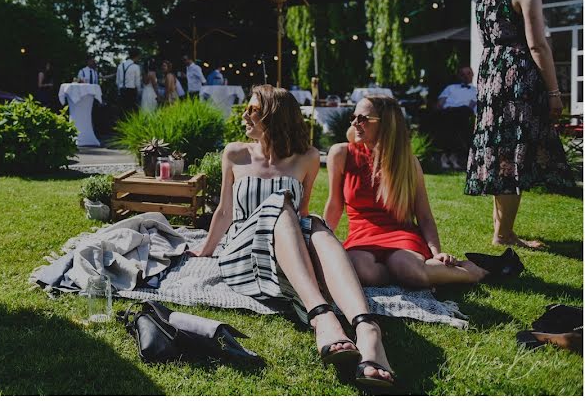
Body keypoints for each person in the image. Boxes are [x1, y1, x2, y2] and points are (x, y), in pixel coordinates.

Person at [189, 86, 395, 387]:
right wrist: (205, 250)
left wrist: (314, 241)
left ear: (274, 116)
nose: (244, 115)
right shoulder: (235, 153)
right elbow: (224, 211)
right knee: (281, 204)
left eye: (253, 110)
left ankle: (366, 328)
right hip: (243, 252)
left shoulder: (308, 157)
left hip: (286, 244)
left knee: (315, 226)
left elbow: (303, 213)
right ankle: (322, 316)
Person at [465, 0, 573, 250]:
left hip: (491, 76)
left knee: (501, 150)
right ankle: (503, 234)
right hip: (518, 76)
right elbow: (538, 44)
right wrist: (555, 92)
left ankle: (503, 232)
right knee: (515, 151)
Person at [325, 96, 490, 288]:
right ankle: (410, 272)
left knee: (407, 268)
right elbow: (335, 205)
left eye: (362, 118)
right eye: (354, 117)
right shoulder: (341, 153)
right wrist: (322, 242)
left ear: (385, 124)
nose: (355, 123)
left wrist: (436, 253)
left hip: (400, 234)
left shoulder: (407, 162)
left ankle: (473, 272)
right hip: (362, 236)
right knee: (361, 270)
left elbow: (424, 216)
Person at [434, 67, 477, 170]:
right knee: (449, 123)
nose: (466, 76)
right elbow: (440, 103)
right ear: (459, 76)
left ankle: (448, 156)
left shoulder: (476, 90)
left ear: (472, 75)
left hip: (464, 114)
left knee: (461, 115)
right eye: (463, 74)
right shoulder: (450, 88)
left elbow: (472, 106)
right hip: (448, 113)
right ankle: (451, 156)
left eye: (468, 74)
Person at [115, 49, 142, 115]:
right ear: (137, 56)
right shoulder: (136, 67)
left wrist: (119, 91)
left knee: (122, 112)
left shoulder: (120, 66)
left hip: (122, 91)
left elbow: (117, 81)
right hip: (131, 91)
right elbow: (137, 83)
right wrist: (139, 92)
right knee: (131, 112)